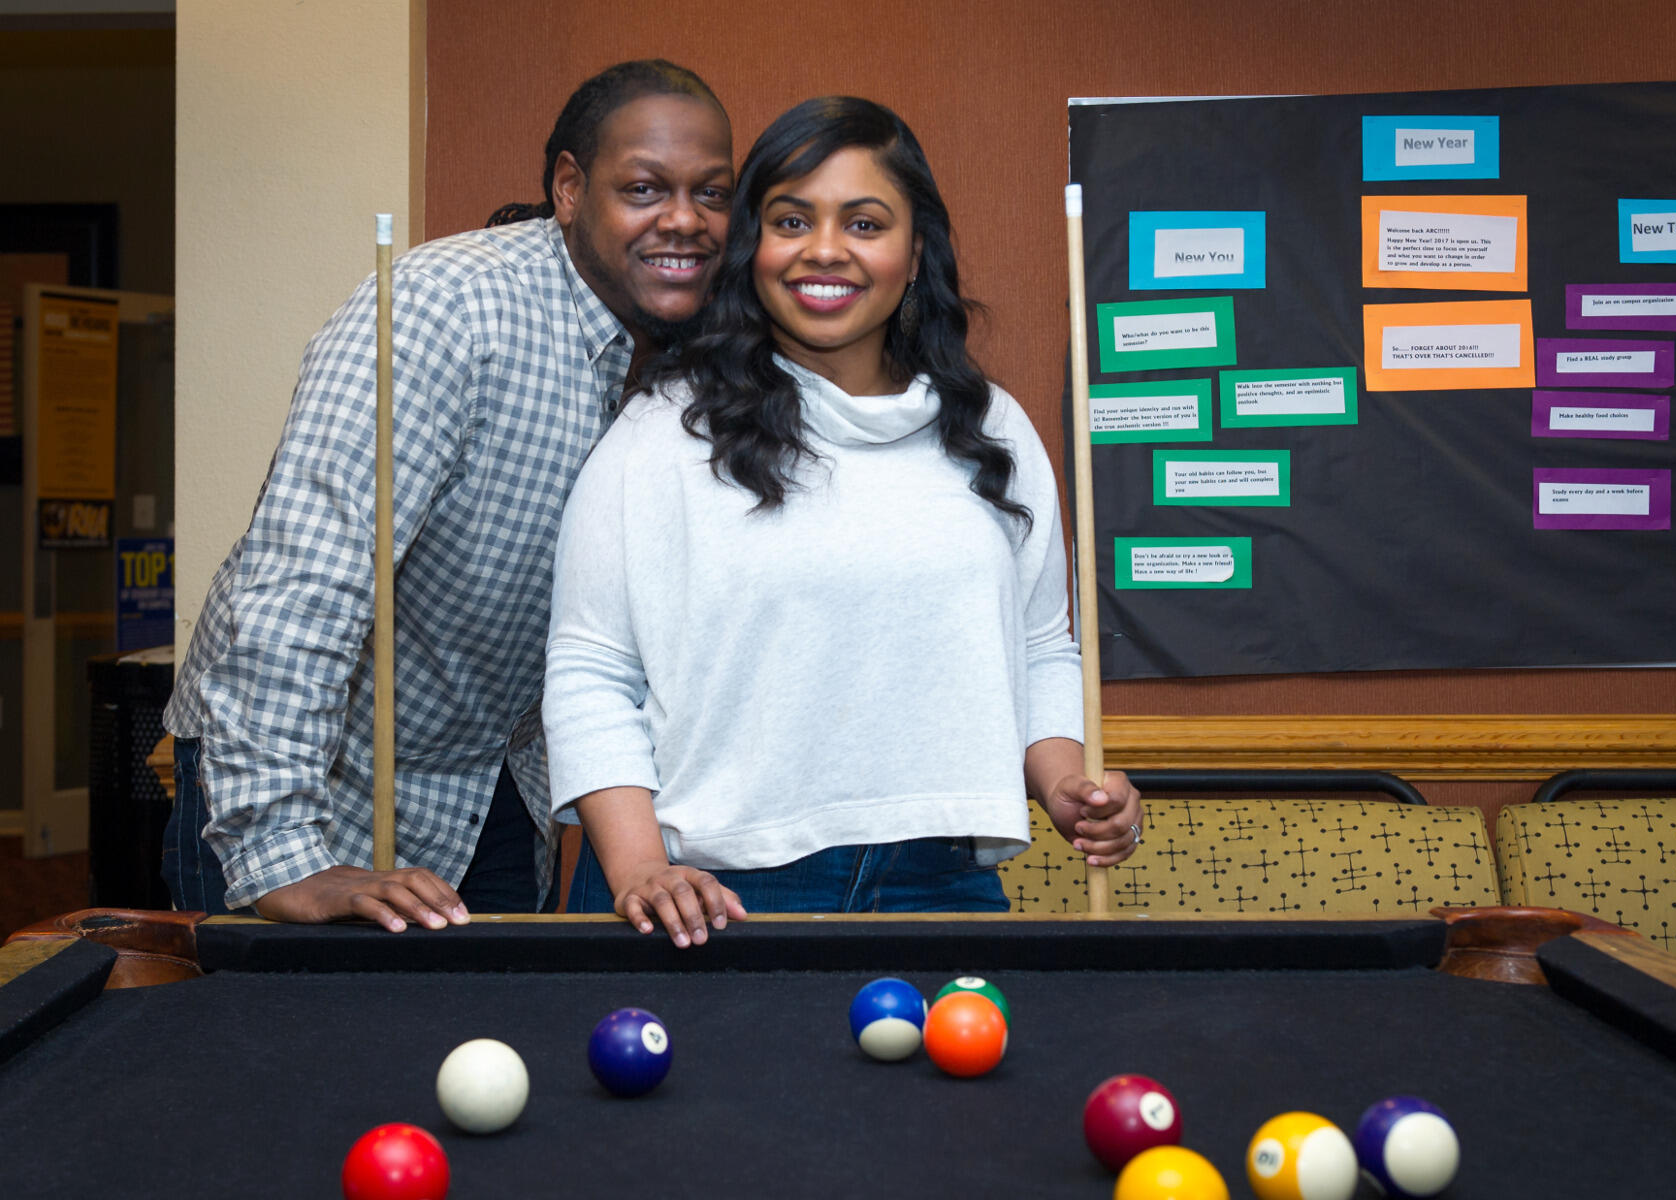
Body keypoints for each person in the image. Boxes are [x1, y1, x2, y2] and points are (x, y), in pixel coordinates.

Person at [543, 96, 1143, 946]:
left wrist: (1069, 785)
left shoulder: (992, 428)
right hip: (714, 887)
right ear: (755, 247)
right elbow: (589, 668)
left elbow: (1042, 647)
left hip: (941, 879)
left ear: (915, 249)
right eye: (792, 220)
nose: (825, 249)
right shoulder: (664, 434)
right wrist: (638, 865)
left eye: (865, 222)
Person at [160, 60, 733, 931]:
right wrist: (283, 855)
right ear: (571, 189)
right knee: (291, 1065)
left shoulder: (709, 347)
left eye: (714, 194)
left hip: (496, 786)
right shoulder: (446, 307)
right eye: (646, 188)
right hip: (311, 788)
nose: (685, 221)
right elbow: (305, 581)